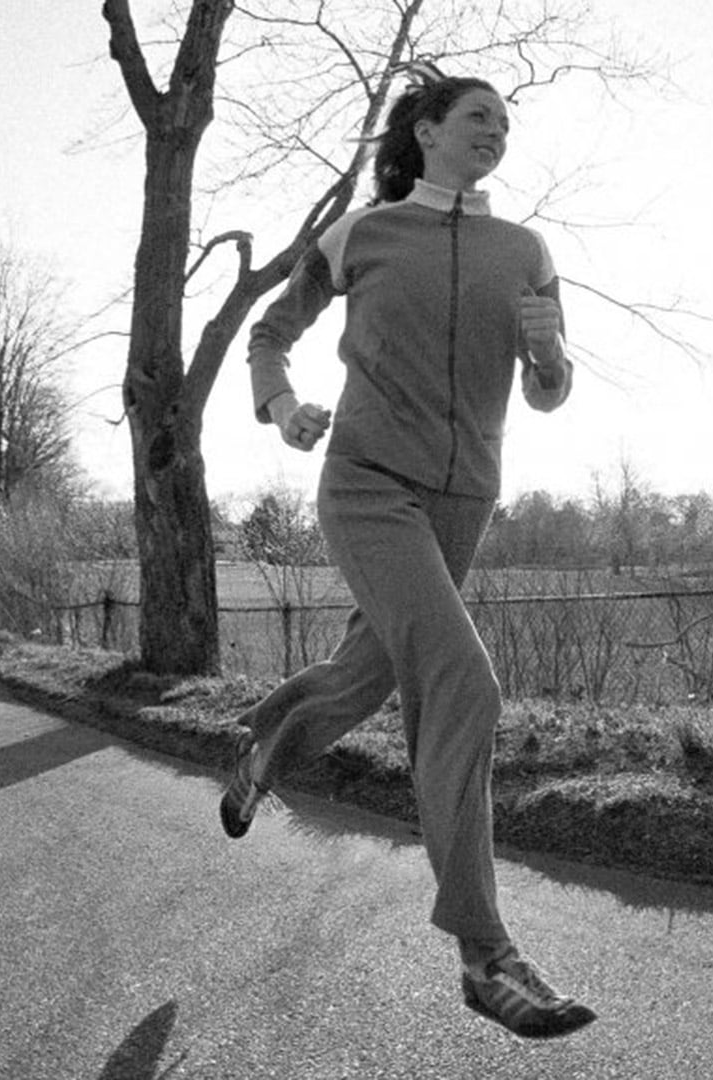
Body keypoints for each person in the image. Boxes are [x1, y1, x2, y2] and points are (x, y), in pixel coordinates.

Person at [219, 72, 594, 1040]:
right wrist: (282, 405)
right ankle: (484, 952)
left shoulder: (527, 250)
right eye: (479, 117)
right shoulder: (363, 233)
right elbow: (271, 332)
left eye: (506, 123)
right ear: (426, 131)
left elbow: (548, 391)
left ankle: (265, 746)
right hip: (369, 483)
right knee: (463, 683)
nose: (497, 132)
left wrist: (550, 356)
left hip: (466, 495)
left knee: (367, 674)